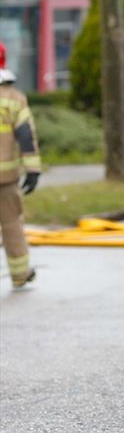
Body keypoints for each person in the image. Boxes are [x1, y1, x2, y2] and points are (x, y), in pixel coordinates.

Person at [0, 42, 41, 289]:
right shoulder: (15, 100)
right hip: (6, 179)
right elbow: (26, 136)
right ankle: (20, 274)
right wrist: (33, 170)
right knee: (12, 224)